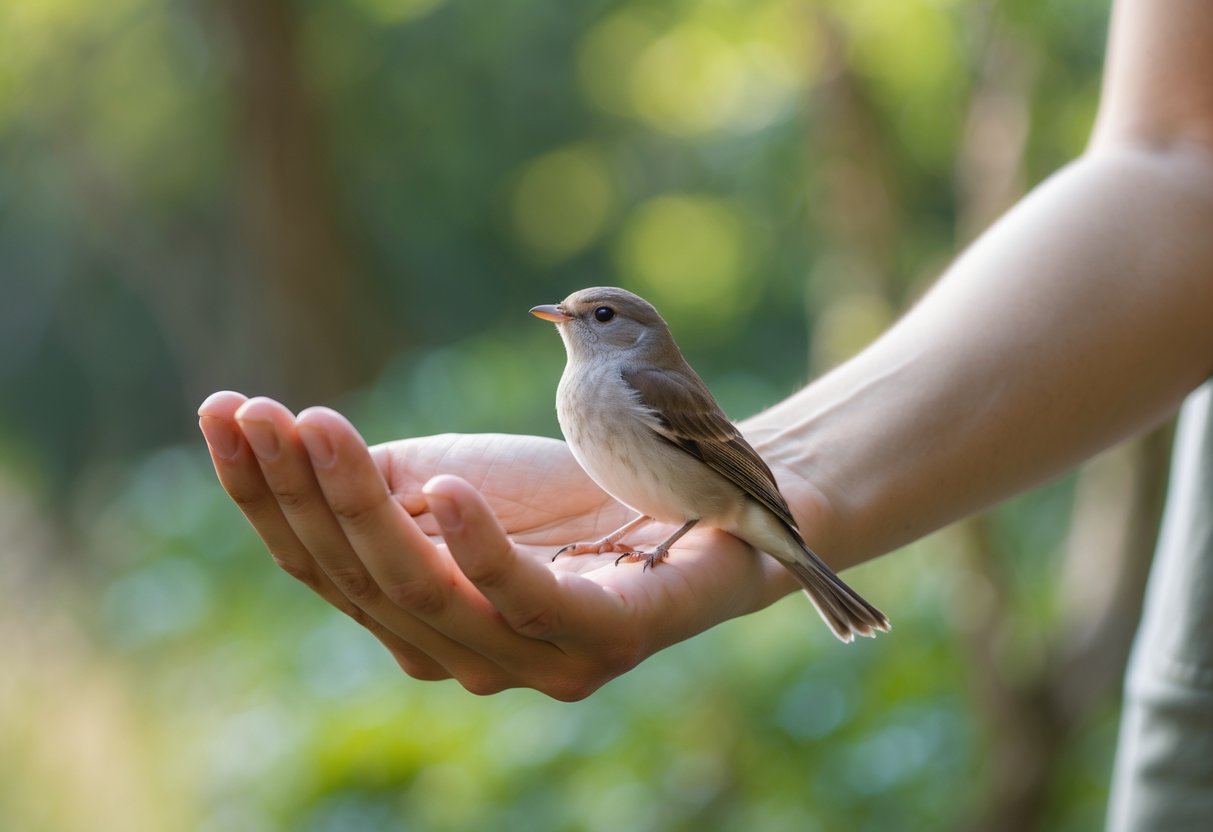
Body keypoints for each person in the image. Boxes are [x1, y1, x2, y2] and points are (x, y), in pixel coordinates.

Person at [198, 0, 1213, 826]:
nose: (571, 319)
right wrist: (647, 527)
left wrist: (719, 519)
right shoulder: (587, 388)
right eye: (573, 312)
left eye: (595, 314)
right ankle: (812, 581)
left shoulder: (641, 386)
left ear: (628, 332)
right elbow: (1178, 150)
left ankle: (816, 579)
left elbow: (717, 476)